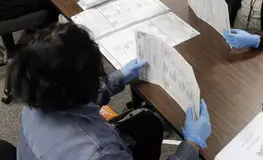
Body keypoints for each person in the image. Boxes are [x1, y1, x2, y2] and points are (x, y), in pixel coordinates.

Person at [11, 22, 211, 160]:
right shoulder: (99, 153)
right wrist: (192, 145)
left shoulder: (37, 92)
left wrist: (119, 77)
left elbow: (75, 94)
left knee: (147, 124)